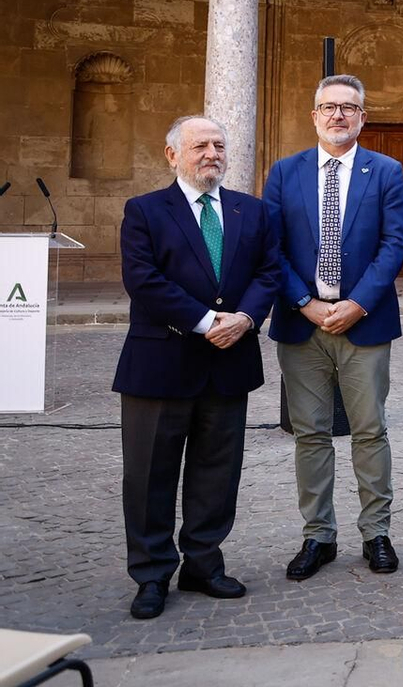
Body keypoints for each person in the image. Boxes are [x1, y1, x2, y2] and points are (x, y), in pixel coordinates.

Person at [115, 116, 280, 619]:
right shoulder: (144, 210)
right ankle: (151, 573)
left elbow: (268, 271)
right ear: (173, 155)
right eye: (200, 146)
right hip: (160, 363)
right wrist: (208, 322)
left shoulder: (253, 211)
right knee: (149, 475)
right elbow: (143, 279)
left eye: (219, 145)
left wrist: (246, 318)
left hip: (228, 363)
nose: (212, 154)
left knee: (217, 472)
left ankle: (203, 564)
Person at [264, 74, 403, 581]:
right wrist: (304, 302)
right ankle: (318, 536)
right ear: (314, 115)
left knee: (370, 430)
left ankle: (377, 533)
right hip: (301, 324)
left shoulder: (386, 171)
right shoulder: (285, 172)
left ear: (362, 117)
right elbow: (271, 247)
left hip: (363, 325)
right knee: (310, 434)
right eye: (329, 107)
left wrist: (358, 304)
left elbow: (395, 243)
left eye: (349, 107)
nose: (338, 115)